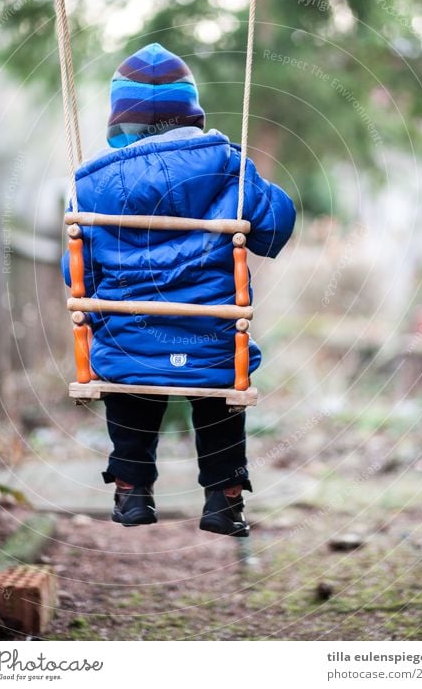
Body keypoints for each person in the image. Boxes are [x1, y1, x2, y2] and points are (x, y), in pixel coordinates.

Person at [61, 42, 296, 537]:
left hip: (129, 345)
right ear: (190, 114)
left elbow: (76, 274)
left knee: (128, 374)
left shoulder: (90, 183)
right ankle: (224, 499)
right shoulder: (228, 165)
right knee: (219, 389)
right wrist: (252, 181)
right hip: (211, 344)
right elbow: (277, 228)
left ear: (117, 121)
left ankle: (131, 489)